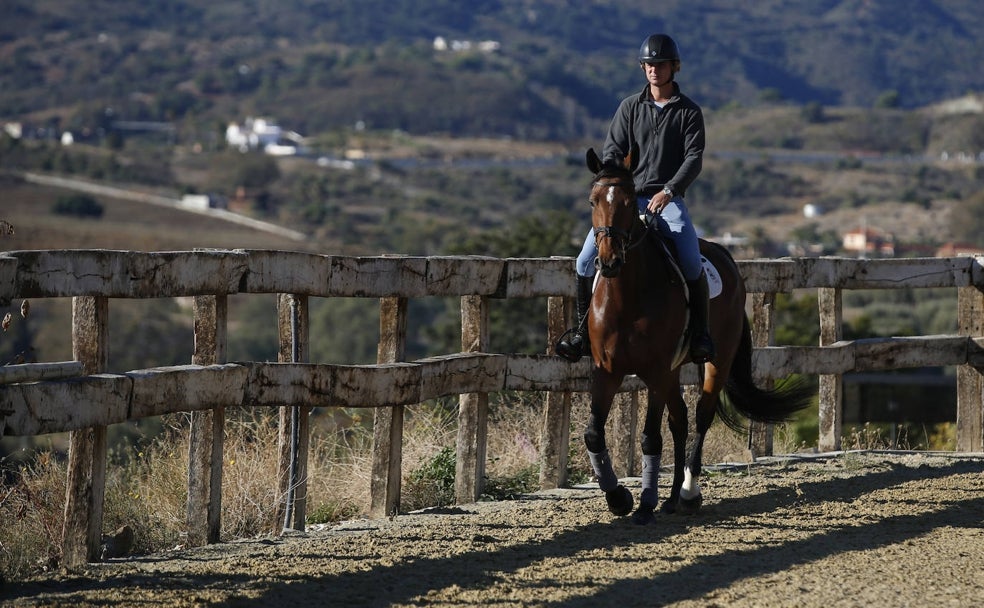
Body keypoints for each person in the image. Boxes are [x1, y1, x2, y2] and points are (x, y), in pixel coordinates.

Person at [556, 33, 714, 364]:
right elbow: (613, 149)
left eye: (660, 64)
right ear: (643, 68)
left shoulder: (689, 112)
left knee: (689, 259)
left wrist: (669, 190)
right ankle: (582, 333)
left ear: (674, 67)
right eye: (649, 65)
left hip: (667, 200)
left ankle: (700, 334)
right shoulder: (629, 107)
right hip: (625, 200)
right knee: (584, 261)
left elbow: (693, 158)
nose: (654, 70)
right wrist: (617, 183)